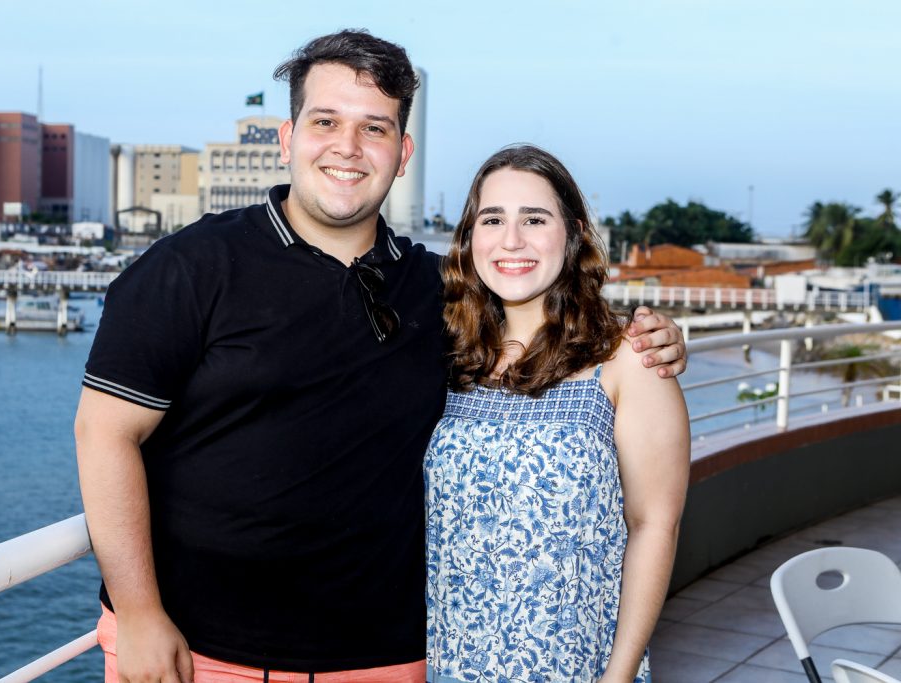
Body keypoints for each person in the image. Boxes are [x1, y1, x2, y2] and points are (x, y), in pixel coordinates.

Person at [75, 31, 686, 683]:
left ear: (402, 153)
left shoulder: (440, 292)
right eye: (326, 121)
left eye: (375, 128)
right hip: (201, 656)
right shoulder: (189, 267)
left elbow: (538, 315)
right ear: (287, 138)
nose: (348, 147)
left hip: (391, 662)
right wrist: (138, 609)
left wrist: (654, 332)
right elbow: (104, 433)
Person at [425, 145, 690, 683]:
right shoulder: (441, 351)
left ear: (571, 234)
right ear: (470, 237)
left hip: (574, 666)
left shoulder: (627, 357)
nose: (512, 240)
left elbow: (654, 525)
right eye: (493, 218)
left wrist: (617, 675)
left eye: (534, 219)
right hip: (441, 664)